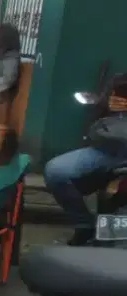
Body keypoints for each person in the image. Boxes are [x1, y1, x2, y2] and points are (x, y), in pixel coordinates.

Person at [45, 91, 127, 245]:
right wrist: (105, 103)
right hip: (106, 149)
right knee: (56, 170)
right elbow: (99, 109)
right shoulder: (119, 82)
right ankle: (84, 225)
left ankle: (110, 241)